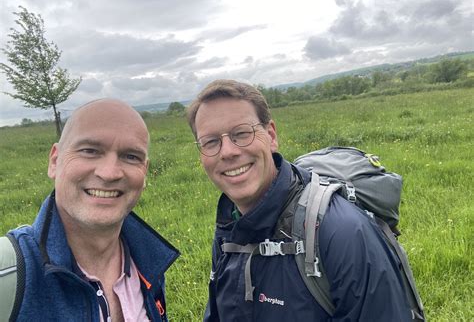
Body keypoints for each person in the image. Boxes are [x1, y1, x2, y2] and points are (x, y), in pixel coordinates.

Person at [186, 80, 413, 321]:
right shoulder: (231, 224)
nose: (228, 151)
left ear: (271, 135)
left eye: (241, 133)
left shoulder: (343, 232)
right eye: (211, 142)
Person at [4, 99, 179, 321]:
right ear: (55, 161)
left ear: (144, 172)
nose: (109, 173)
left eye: (131, 156)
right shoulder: (10, 278)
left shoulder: (148, 261)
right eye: (90, 150)